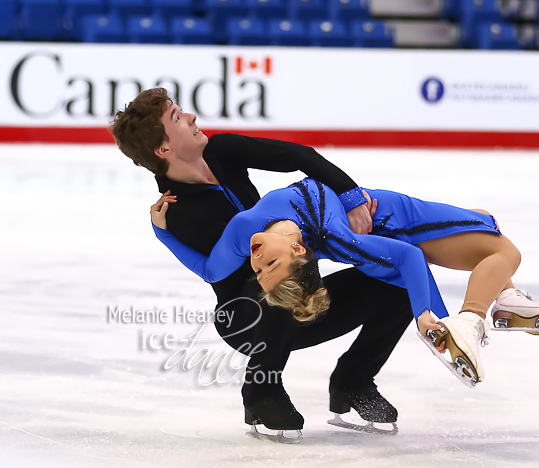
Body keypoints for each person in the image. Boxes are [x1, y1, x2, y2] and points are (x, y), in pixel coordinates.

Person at [110, 88, 414, 435]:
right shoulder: (177, 211)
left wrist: (349, 196)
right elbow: (246, 267)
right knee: (275, 275)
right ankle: (260, 392)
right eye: (178, 118)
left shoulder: (221, 151)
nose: (192, 117)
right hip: (246, 318)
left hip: (302, 291)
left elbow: (297, 155)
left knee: (398, 274)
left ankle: (354, 378)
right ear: (163, 149)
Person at [151, 177, 539, 387]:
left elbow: (210, 270)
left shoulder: (248, 231)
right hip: (391, 230)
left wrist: (161, 230)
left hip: (389, 226)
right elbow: (409, 257)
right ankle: (476, 318)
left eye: (262, 266)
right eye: (264, 268)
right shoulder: (320, 236)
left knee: (487, 233)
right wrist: (429, 314)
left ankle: (508, 300)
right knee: (503, 251)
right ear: (301, 254)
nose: (256, 261)